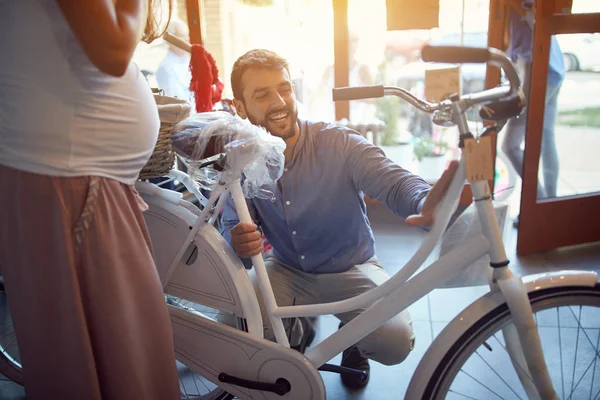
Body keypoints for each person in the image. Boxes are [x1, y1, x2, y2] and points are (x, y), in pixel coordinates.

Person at [221, 49, 458, 390]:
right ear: (240, 107)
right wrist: (237, 241)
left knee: (395, 341)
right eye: (262, 94)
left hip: (352, 268)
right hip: (287, 269)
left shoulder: (338, 142)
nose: (279, 101)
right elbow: (231, 227)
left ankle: (352, 340)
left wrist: (424, 200)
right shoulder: (243, 160)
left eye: (284, 89)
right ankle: (299, 327)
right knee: (231, 324)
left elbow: (391, 179)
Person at [0, 1, 180, 399]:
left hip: (75, 179)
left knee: (122, 352)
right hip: (68, 182)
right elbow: (112, 50)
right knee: (119, 358)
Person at [501, 0, 565, 218]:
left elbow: (535, 21)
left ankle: (539, 204)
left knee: (510, 145)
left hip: (539, 71)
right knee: (546, 138)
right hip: (551, 69)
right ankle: (548, 205)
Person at [156, 18, 195, 107]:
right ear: (170, 40)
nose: (187, 40)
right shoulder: (165, 68)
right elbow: (176, 103)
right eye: (181, 36)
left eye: (187, 35)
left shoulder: (189, 61)